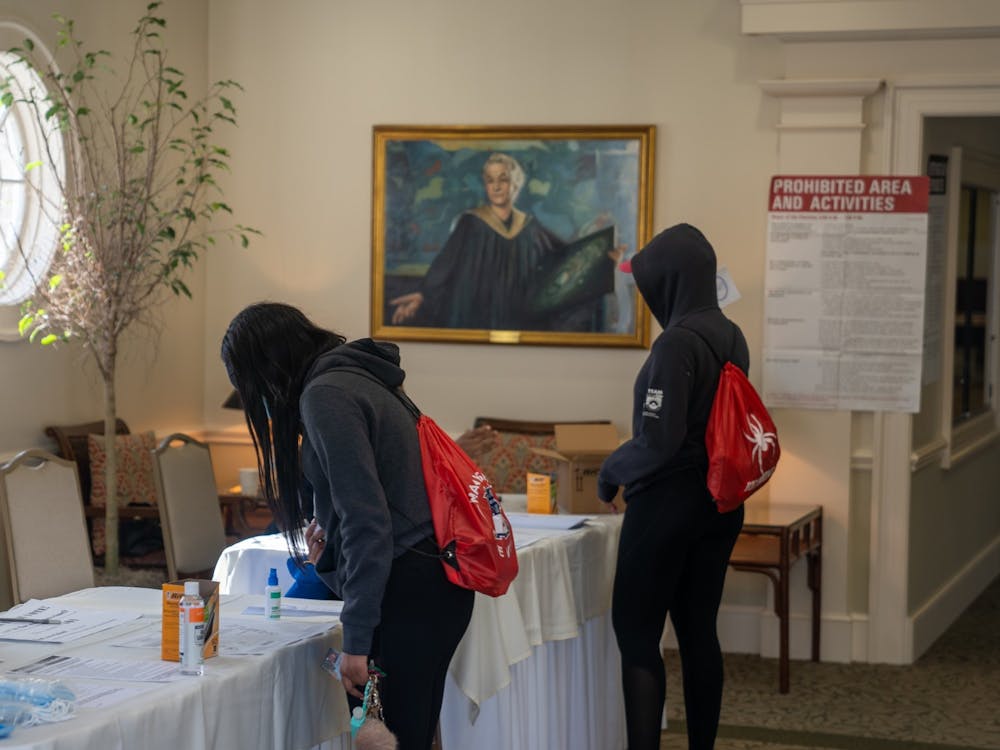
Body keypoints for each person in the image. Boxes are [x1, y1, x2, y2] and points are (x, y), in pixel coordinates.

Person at [220, 302, 474, 750]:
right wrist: (332, 565)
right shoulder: (360, 377)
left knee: (395, 738)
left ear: (267, 368)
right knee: (413, 734)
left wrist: (355, 643)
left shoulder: (326, 395)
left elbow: (369, 523)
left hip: (412, 591)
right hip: (433, 587)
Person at [597, 223, 748, 750]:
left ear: (671, 281)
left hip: (666, 507)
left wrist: (610, 471)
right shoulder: (730, 333)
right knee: (699, 632)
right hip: (720, 505)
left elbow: (658, 442)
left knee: (637, 638)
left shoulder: (675, 344)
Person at [389, 152, 620, 331]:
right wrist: (422, 295)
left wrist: (602, 258)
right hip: (476, 313)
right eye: (490, 180)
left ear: (515, 183)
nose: (496, 186)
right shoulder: (471, 223)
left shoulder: (530, 227)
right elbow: (444, 264)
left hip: (520, 316)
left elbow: (566, 258)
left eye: (503, 179)